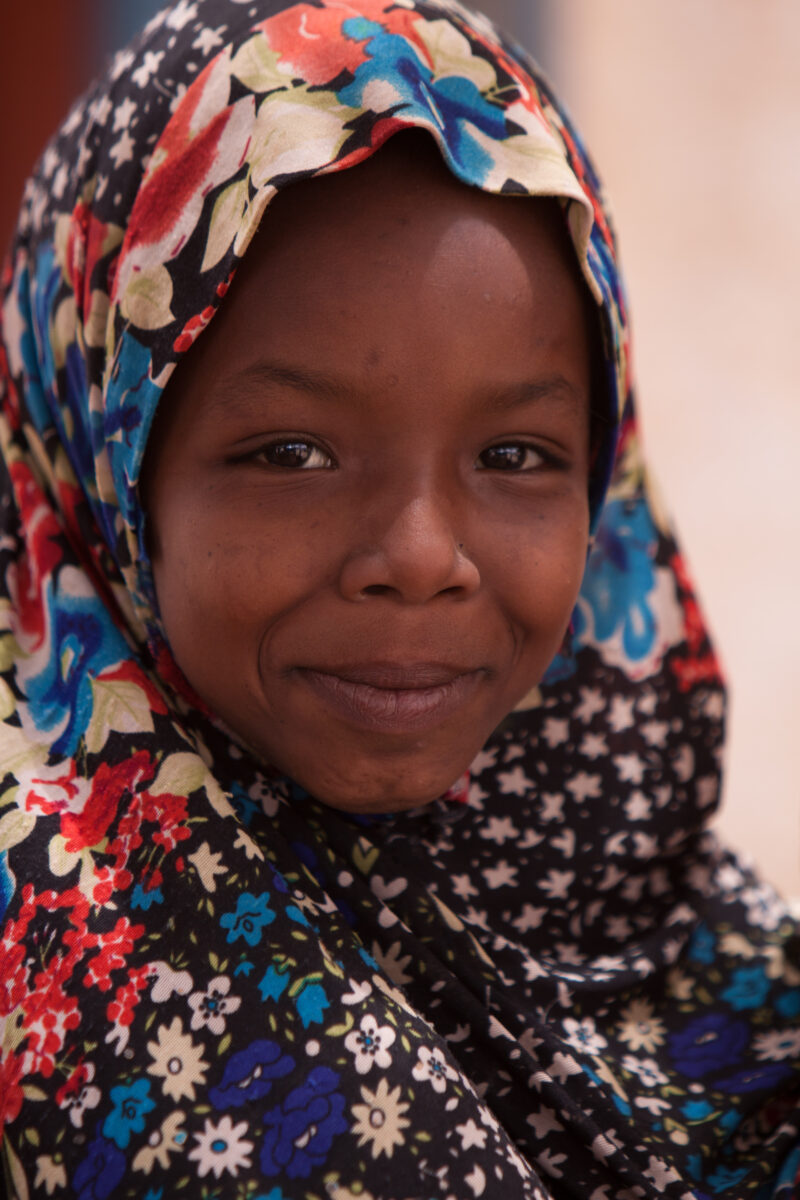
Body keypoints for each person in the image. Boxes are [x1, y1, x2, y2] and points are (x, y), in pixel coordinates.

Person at [1, 1, 798, 1197]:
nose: (422, 557)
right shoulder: (43, 963)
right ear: (109, 466)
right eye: (289, 453)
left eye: (516, 456)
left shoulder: (704, 959)